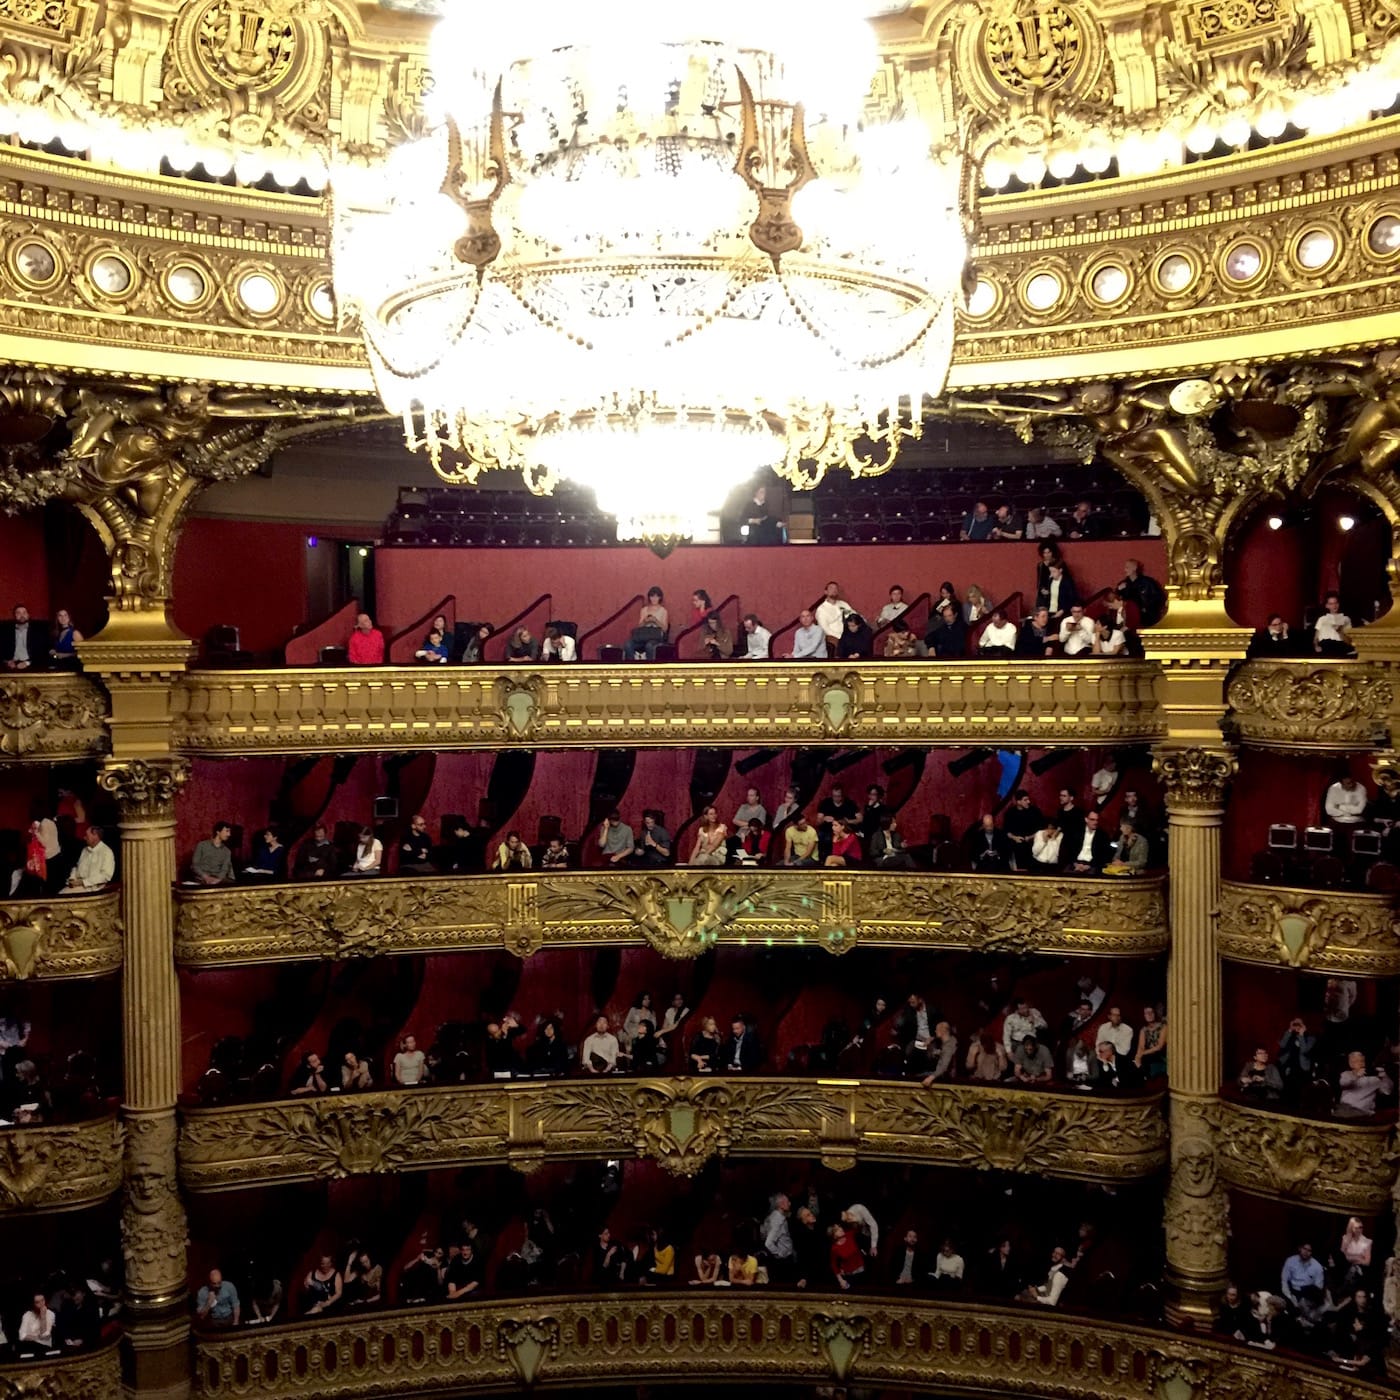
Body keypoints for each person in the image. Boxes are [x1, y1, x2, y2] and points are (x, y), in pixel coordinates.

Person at [1335, 1050, 1393, 1118]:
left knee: (1340, 1114)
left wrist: (1385, 1077)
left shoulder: (1374, 1079)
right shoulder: (1346, 1074)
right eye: (1355, 1061)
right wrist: (1356, 1076)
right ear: (1350, 1064)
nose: (1360, 1063)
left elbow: (1387, 1092)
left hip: (1362, 1111)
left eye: (1361, 1061)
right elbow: (1343, 1084)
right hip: (1344, 1108)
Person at [63, 824, 114, 893]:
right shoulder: (84, 850)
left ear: (95, 836)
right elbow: (77, 867)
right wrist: (72, 878)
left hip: (92, 889)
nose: (84, 838)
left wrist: (82, 882)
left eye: (87, 835)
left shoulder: (106, 852)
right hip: (77, 885)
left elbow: (105, 876)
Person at [0, 604, 47, 672]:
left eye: (24, 612)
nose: (22, 615)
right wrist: (7, 661)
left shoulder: (37, 631)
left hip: (31, 664)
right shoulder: (6, 631)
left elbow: (41, 651)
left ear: (28, 615)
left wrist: (27, 663)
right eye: (18, 613)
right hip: (12, 665)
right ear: (14, 616)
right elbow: (1, 650)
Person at [1119, 559, 1166, 625]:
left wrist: (1146, 608)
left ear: (1135, 568)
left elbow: (1159, 598)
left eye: (1127, 567)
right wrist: (1118, 589)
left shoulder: (1148, 582)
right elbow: (1117, 601)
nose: (1125, 570)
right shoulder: (1123, 584)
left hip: (1146, 619)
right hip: (1130, 620)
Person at [190, 821, 236, 886]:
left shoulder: (227, 851)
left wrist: (218, 880)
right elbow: (195, 865)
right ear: (218, 832)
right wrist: (206, 877)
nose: (229, 834)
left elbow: (224, 869)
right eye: (227, 831)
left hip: (219, 880)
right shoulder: (202, 845)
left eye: (229, 832)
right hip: (202, 879)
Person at [629, 587, 669, 660]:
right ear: (649, 597)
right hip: (643, 636)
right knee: (628, 645)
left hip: (655, 636)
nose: (654, 599)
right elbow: (639, 626)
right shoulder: (644, 610)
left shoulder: (663, 611)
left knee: (649, 646)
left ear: (660, 598)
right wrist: (645, 621)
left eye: (656, 596)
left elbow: (665, 629)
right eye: (652, 596)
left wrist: (655, 621)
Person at [1313, 591, 1353, 656]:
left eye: (1336, 603)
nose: (1334, 606)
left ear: (1339, 604)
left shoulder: (1346, 619)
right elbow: (1315, 638)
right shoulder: (1322, 619)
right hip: (1325, 646)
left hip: (1340, 646)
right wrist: (1316, 646)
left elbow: (1349, 641)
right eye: (1331, 604)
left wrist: (1339, 631)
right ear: (1327, 606)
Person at [816, 581, 854, 647]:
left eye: (836, 588)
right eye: (831, 588)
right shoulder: (822, 609)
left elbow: (854, 615)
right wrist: (841, 637)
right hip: (834, 637)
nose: (834, 590)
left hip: (848, 634)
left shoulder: (843, 604)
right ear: (826, 592)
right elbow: (825, 629)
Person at [829, 1223, 867, 1289]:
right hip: (849, 1276)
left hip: (862, 1271)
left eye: (839, 1227)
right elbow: (833, 1265)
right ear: (834, 1236)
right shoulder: (835, 1248)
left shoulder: (849, 1234)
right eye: (837, 1230)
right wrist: (840, 1280)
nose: (840, 1229)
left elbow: (859, 1225)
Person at [1135, 1005, 1167, 1079]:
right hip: (1151, 1057)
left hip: (1163, 1056)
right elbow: (1141, 1047)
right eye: (1146, 1013)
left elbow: (1159, 1046)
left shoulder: (1163, 1026)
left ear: (1154, 1013)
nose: (1149, 1014)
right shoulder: (1143, 1030)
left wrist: (1142, 1053)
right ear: (1144, 1016)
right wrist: (1138, 1058)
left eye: (1151, 1012)